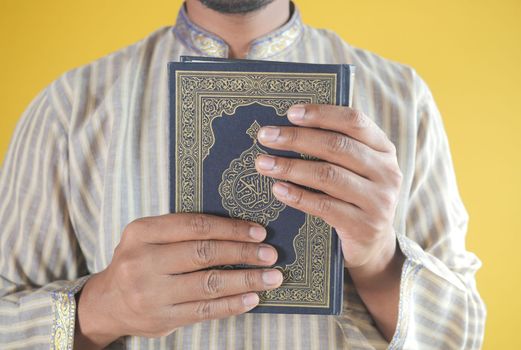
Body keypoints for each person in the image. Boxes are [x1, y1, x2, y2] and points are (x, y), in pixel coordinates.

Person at [0, 0, 486, 349]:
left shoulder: (403, 98)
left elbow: (461, 335)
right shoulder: (70, 108)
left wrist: (380, 261)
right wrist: (101, 308)